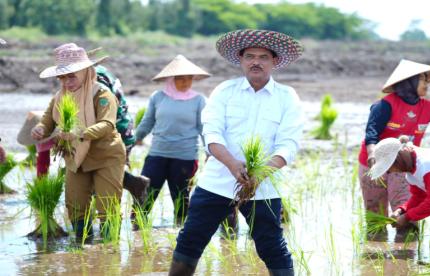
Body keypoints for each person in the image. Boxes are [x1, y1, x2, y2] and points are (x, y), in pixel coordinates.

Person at [168, 29, 304, 276]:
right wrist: (231, 163)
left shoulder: (287, 97)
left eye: (263, 57)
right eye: (250, 56)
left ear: (274, 62)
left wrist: (260, 173)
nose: (256, 61)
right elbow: (212, 133)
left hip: (263, 187)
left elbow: (289, 144)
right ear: (240, 59)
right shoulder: (225, 91)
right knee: (190, 239)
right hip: (217, 182)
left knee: (272, 247)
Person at [31, 43, 126, 241]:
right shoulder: (60, 97)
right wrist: (40, 129)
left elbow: (107, 124)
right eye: (62, 77)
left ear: (85, 71)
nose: (67, 81)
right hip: (76, 157)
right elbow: (47, 120)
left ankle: (109, 250)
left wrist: (80, 134)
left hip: (106, 155)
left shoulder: (102, 94)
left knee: (107, 206)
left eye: (72, 75)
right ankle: (83, 249)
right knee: (75, 205)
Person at [16, 64, 149, 204]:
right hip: (100, 131)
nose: (66, 80)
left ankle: (134, 187)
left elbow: (101, 113)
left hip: (115, 131)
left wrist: (78, 132)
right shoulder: (78, 83)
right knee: (90, 171)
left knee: (102, 172)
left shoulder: (97, 81)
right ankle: (90, 215)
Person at [358, 59, 430, 234]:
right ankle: (376, 254)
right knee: (375, 216)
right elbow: (371, 133)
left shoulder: (428, 108)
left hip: (404, 163)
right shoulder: (384, 106)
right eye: (422, 80)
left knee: (406, 217)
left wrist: (404, 213)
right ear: (409, 82)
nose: (427, 84)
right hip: (372, 162)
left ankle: (405, 255)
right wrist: (372, 156)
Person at [135, 55, 209, 225]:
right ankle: (136, 229)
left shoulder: (199, 100)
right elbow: (148, 121)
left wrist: (209, 151)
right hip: (157, 153)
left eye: (189, 78)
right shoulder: (158, 97)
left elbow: (203, 127)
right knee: (145, 194)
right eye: (180, 78)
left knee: (181, 198)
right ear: (171, 79)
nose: (185, 82)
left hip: (185, 156)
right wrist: (135, 139)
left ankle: (179, 230)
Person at [370, 136, 430, 249]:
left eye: (389, 167)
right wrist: (402, 210)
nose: (390, 172)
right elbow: (419, 197)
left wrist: (407, 217)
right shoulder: (411, 172)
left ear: (397, 159)